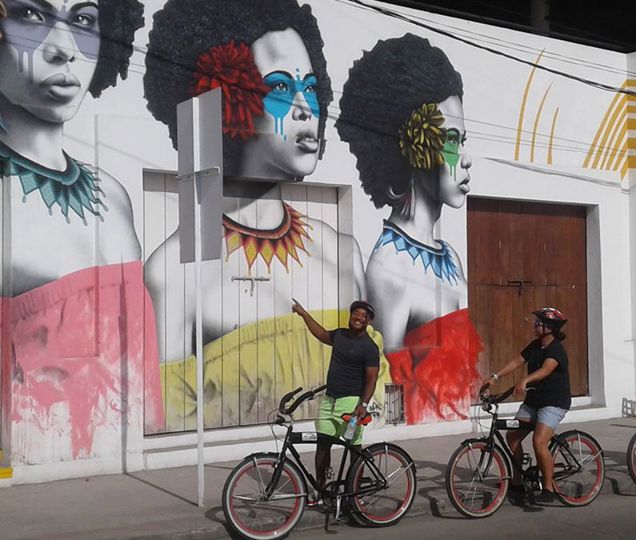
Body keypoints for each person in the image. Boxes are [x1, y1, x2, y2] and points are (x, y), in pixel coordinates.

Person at [142, 0, 369, 432]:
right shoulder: (173, 268)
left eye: (311, 87)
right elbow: (168, 417)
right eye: (280, 88)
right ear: (229, 103)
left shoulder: (341, 251)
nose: (306, 108)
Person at [0, 0, 165, 463]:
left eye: (83, 20)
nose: (63, 49)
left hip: (130, 464)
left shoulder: (113, 193)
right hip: (33, 461)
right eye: (31, 15)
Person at [337, 33, 480, 424]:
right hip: (421, 437)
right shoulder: (389, 267)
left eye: (463, 140)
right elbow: (389, 376)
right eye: (451, 140)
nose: (465, 159)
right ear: (415, 145)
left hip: (458, 430)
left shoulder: (450, 256)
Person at [484, 307, 571, 504]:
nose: (535, 325)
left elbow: (546, 370)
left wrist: (525, 381)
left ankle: (548, 487)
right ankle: (517, 482)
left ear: (549, 328)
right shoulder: (535, 345)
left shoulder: (556, 349)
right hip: (534, 401)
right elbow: (517, 361)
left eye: (538, 323)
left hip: (554, 402)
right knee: (513, 436)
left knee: (539, 442)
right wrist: (494, 377)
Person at [293, 299, 380, 487]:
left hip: (350, 403)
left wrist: (363, 405)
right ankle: (322, 488)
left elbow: (371, 380)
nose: (358, 317)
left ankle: (355, 493)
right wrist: (304, 314)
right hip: (329, 401)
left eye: (364, 316)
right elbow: (322, 334)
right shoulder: (340, 334)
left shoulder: (369, 348)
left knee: (354, 449)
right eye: (356, 313)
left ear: (369, 322)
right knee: (323, 446)